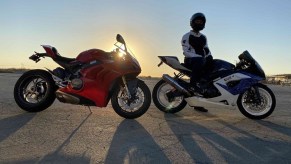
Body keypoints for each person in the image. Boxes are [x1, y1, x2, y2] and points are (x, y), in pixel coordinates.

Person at [181, 12, 213, 112]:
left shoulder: (204, 37)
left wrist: (209, 58)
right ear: (192, 22)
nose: (199, 23)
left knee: (214, 64)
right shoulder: (186, 36)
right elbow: (186, 52)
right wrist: (200, 57)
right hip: (191, 61)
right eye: (197, 21)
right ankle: (192, 86)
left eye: (201, 22)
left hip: (201, 61)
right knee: (200, 61)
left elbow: (207, 50)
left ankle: (199, 101)